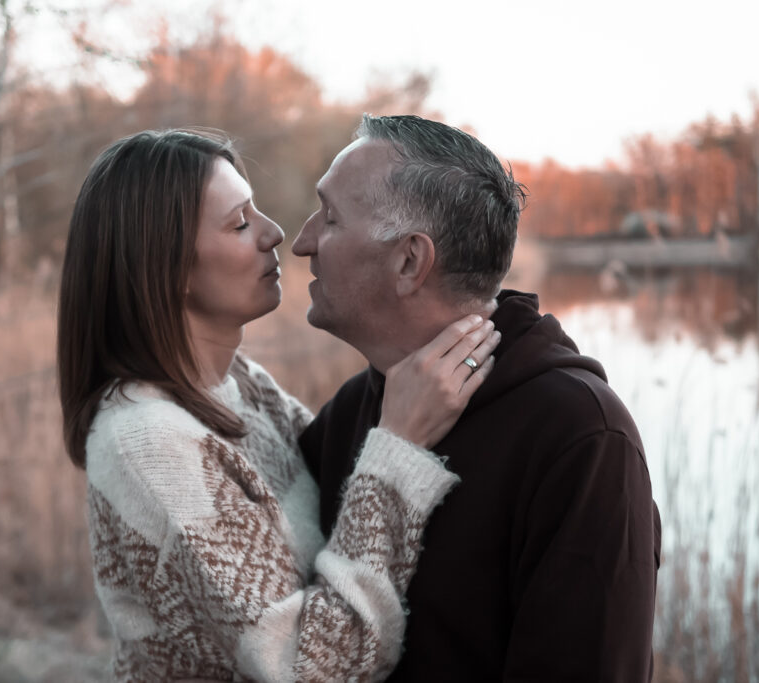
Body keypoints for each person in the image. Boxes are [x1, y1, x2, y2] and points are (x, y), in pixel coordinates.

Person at [56, 129, 499, 681]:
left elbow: (341, 500)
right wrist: (400, 446)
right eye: (240, 222)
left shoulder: (245, 386)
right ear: (165, 266)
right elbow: (308, 667)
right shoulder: (147, 440)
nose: (275, 233)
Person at [293, 114, 662, 682]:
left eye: (331, 218)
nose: (302, 241)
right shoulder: (352, 411)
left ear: (410, 262)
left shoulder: (581, 438)